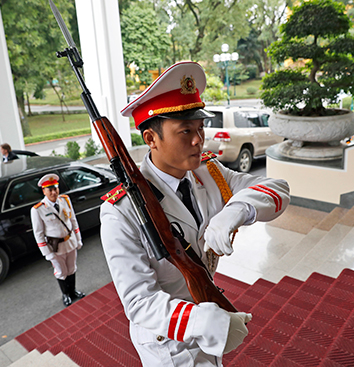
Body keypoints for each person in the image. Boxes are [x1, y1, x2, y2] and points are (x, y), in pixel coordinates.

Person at [99, 61, 290, 366]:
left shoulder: (210, 172)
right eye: (185, 131)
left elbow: (277, 188)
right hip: (168, 341)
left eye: (200, 128)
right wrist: (205, 322)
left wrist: (237, 211)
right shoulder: (120, 210)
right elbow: (139, 302)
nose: (198, 140)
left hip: (209, 305)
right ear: (151, 139)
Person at [30, 173, 85, 307]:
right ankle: (65, 294)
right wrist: (47, 253)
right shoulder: (38, 210)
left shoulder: (65, 200)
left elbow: (73, 220)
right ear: (44, 191)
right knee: (61, 272)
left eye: (56, 188)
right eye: (50, 190)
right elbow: (38, 233)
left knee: (72, 268)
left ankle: (73, 291)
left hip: (70, 241)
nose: (54, 192)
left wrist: (78, 239)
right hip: (55, 247)